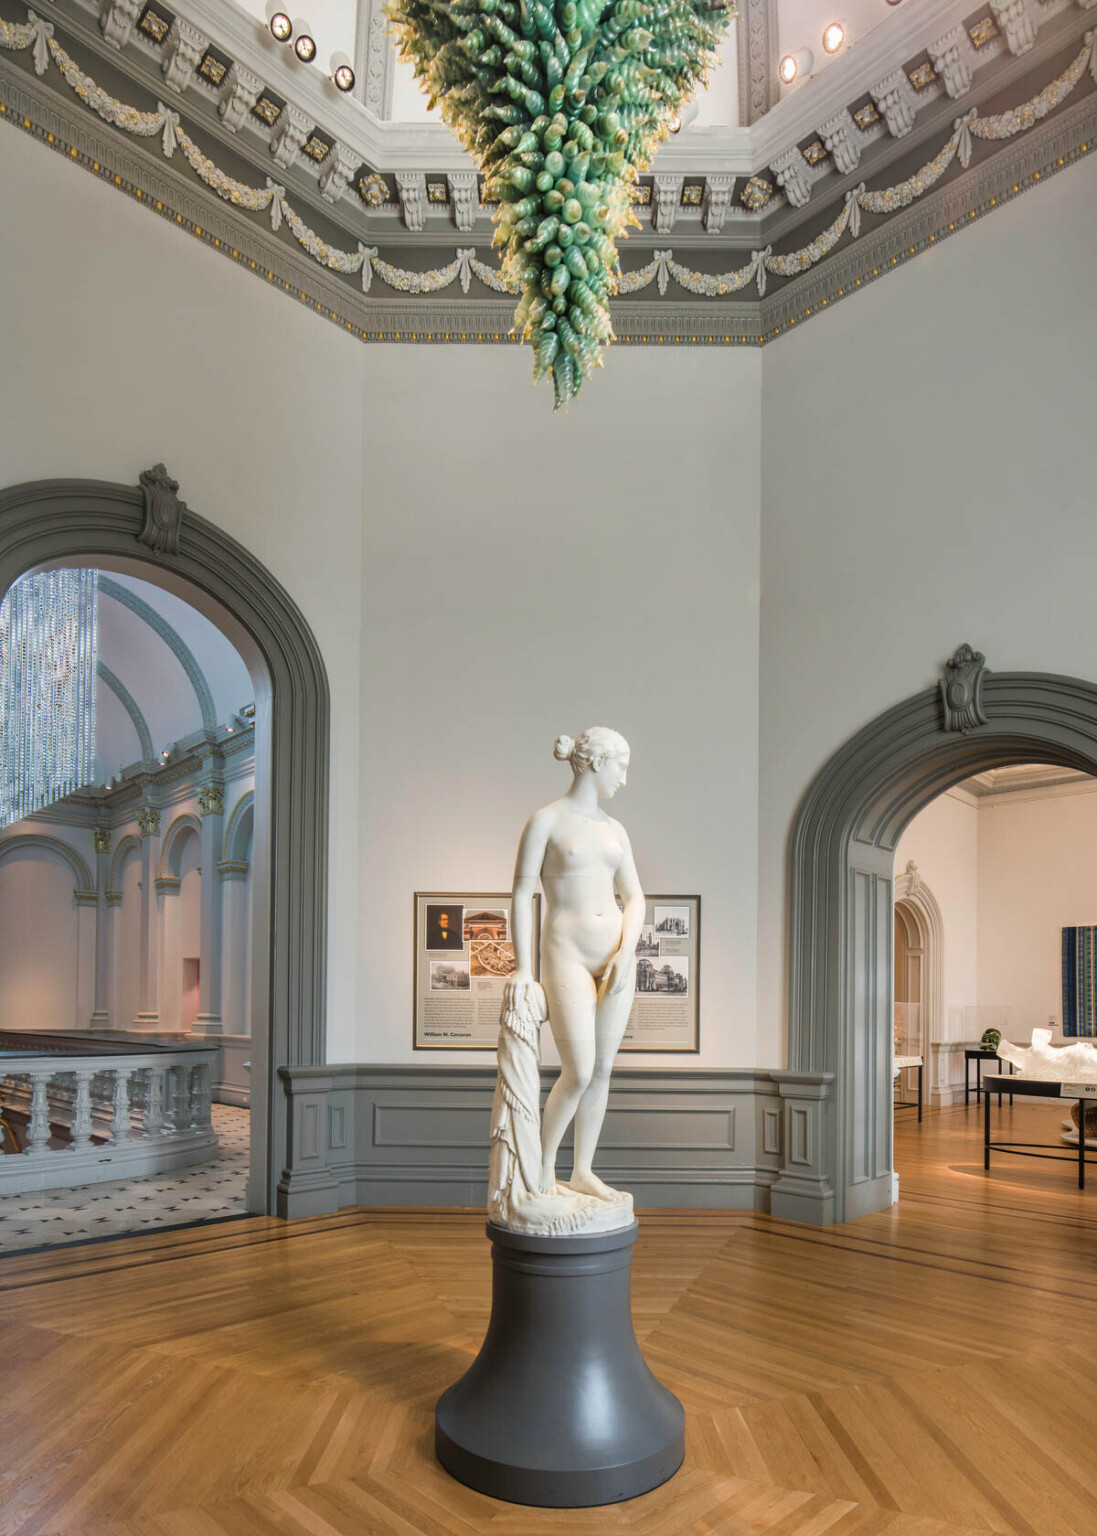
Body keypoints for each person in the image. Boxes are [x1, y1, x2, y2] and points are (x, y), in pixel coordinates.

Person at [504, 727, 643, 1200]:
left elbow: (636, 897)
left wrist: (627, 950)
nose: (624, 779)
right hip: (566, 953)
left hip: (616, 959)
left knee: (602, 1069)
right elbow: (523, 895)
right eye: (621, 766)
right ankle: (543, 1168)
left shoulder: (615, 829)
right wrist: (524, 968)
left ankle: (582, 1169)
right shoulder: (546, 820)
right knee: (579, 1070)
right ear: (596, 762)